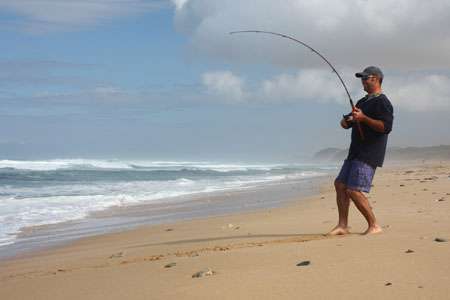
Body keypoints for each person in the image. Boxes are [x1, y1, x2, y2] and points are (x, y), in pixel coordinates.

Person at [328, 66, 394, 235]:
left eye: (366, 78)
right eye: (362, 78)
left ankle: (374, 225)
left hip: (369, 153)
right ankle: (343, 225)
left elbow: (385, 127)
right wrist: (347, 121)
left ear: (376, 79)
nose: (363, 81)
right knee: (340, 185)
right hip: (354, 152)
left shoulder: (383, 102)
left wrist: (364, 118)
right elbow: (347, 124)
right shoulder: (362, 102)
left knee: (354, 190)